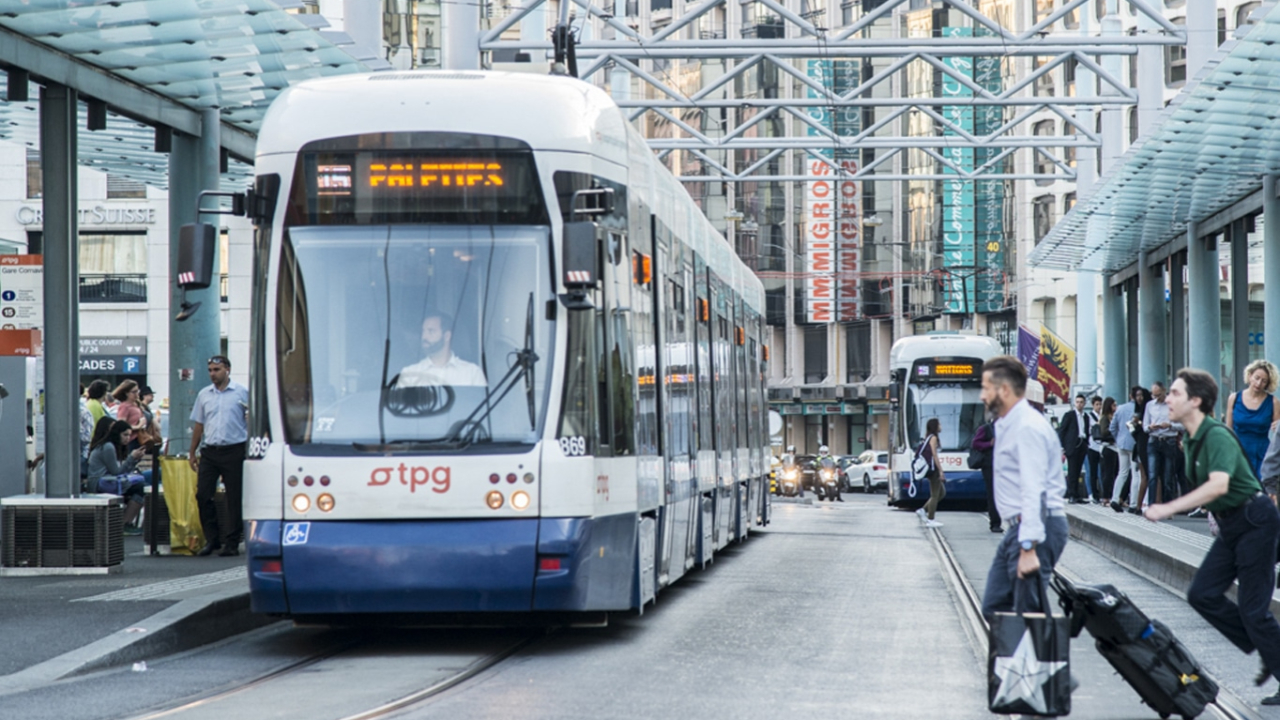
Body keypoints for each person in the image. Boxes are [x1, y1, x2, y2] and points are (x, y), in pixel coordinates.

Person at [1144, 368, 1280, 706]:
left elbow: (1218, 485)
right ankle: (1267, 645)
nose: (1167, 399)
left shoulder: (1215, 435)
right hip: (1232, 524)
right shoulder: (1190, 439)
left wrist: (1168, 507)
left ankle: (1270, 647)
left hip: (1255, 521)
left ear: (1195, 401)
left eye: (1175, 393)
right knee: (1202, 594)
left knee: (1254, 611)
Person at [979, 355, 1069, 619]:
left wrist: (1028, 546)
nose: (982, 396)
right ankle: (1019, 649)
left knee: (1028, 616)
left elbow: (1033, 488)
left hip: (1037, 527)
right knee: (997, 607)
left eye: (986, 388)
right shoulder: (1007, 424)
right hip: (1021, 528)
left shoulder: (1026, 427)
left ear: (1005, 390)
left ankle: (1040, 648)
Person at [189, 355, 249, 557]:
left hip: (234, 449)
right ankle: (212, 539)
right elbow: (199, 424)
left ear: (227, 370)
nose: (213, 374)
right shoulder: (204, 394)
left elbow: (250, 421)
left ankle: (232, 542)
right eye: (210, 370)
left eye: (217, 370)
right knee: (203, 494)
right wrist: (192, 452)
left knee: (234, 497)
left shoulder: (241, 393)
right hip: (210, 450)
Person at [86, 417, 147, 534]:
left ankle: (127, 522)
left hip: (110, 481)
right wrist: (131, 458)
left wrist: (135, 459)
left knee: (142, 486)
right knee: (141, 488)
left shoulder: (114, 447)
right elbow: (116, 472)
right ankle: (124, 523)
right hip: (100, 483)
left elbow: (122, 471)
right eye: (125, 435)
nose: (127, 438)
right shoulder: (108, 447)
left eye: (129, 435)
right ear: (117, 434)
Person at [395, 311, 487, 388]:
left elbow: (482, 403)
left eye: (431, 331)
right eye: (423, 331)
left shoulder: (472, 373)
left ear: (447, 336)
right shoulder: (409, 374)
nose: (424, 337)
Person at [1226, 359, 1280, 480]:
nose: (1259, 383)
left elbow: (1278, 434)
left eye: (1264, 381)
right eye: (1257, 378)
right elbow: (1228, 430)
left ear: (1268, 384)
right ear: (1250, 376)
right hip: (1238, 452)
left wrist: (1277, 426)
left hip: (1262, 454)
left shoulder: (1273, 402)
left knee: (1262, 488)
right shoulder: (1234, 398)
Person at [1144, 381, 1183, 506]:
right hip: (1154, 439)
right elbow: (1145, 426)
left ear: (1164, 391)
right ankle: (1151, 505)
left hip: (1169, 440)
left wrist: (1170, 425)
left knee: (1168, 477)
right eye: (1154, 395)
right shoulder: (1149, 405)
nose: (1156, 398)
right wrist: (1150, 427)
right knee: (1152, 475)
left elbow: (1182, 425)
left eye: (1158, 395)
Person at [1108, 388, 1141, 512]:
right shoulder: (1139, 410)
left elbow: (1112, 428)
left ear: (1130, 395)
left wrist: (1118, 438)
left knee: (1122, 472)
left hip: (1121, 444)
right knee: (1136, 474)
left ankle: (1115, 499)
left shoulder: (1120, 408)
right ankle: (1133, 504)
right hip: (1135, 444)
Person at [1057, 394, 1092, 504]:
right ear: (1074, 403)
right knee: (1072, 471)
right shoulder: (1069, 415)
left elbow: (1087, 430)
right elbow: (1062, 430)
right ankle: (1071, 494)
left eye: (1081, 402)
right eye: (1077, 402)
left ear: (1084, 403)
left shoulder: (1086, 417)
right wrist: (1062, 446)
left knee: (1078, 471)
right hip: (1072, 446)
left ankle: (1077, 495)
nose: (1079, 404)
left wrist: (1086, 443)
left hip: (1082, 444)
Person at [914, 419, 945, 527]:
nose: (941, 426)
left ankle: (923, 510)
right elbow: (934, 455)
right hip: (933, 469)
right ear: (935, 426)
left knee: (942, 493)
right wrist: (940, 470)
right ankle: (931, 519)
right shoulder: (933, 438)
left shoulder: (928, 437)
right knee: (935, 495)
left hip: (931, 468)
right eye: (939, 424)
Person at [971, 415, 999, 532]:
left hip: (1005, 466)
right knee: (993, 494)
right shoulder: (986, 429)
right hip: (990, 466)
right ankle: (995, 523)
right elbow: (975, 443)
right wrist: (989, 444)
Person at [1097, 397, 1119, 504]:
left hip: (1115, 447)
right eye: (1114, 405)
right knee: (1108, 473)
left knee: (1115, 473)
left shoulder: (1114, 417)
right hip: (1108, 447)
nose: (1115, 407)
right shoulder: (1105, 418)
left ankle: (1113, 495)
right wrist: (1114, 431)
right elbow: (1104, 432)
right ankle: (1106, 496)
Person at [1085, 396, 1104, 503]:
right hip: (1092, 446)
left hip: (1101, 446)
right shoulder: (1089, 416)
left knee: (1102, 472)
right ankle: (1093, 494)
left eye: (1100, 404)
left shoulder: (1103, 416)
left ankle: (1103, 493)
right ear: (1093, 405)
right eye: (1097, 404)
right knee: (1092, 472)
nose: (1099, 407)